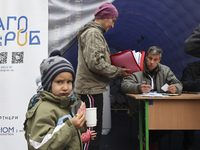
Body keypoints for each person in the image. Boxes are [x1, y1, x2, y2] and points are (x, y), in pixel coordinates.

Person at [74, 2, 131, 150]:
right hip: (90, 90)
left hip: (92, 88)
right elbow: (96, 63)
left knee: (93, 131)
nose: (113, 26)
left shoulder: (94, 33)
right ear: (105, 17)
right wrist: (118, 71)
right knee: (91, 133)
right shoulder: (93, 33)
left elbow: (95, 60)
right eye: (113, 21)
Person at [23, 51, 96, 150]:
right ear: (48, 84)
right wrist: (72, 126)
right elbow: (39, 145)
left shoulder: (63, 105)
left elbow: (61, 133)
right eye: (59, 82)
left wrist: (81, 128)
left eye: (69, 82)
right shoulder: (44, 109)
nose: (65, 87)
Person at [121, 46, 183, 149]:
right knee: (149, 120)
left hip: (161, 107)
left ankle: (148, 139)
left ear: (159, 60)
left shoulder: (165, 70)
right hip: (140, 108)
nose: (151, 62)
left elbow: (178, 84)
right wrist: (138, 88)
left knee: (174, 121)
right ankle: (149, 140)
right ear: (146, 57)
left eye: (155, 60)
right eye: (150, 58)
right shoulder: (137, 69)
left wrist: (175, 88)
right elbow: (124, 85)